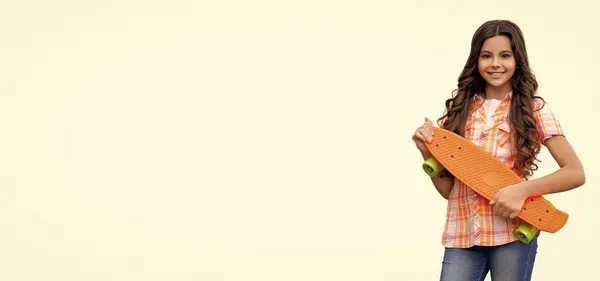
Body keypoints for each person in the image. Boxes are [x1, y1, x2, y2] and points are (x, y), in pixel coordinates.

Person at [411, 20, 586, 281]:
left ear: (518, 60)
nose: (495, 64)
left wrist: (522, 190)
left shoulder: (532, 109)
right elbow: (450, 192)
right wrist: (426, 152)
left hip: (512, 234)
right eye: (486, 56)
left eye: (505, 55)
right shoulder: (458, 112)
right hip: (462, 234)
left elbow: (575, 173)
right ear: (476, 59)